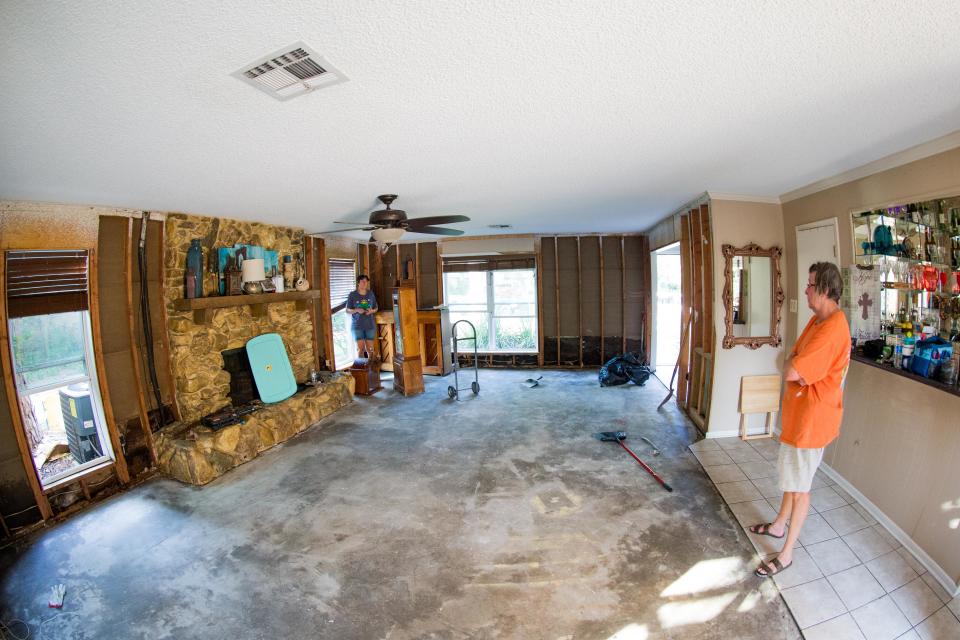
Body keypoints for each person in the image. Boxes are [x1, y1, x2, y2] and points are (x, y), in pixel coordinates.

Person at [751, 261, 851, 577]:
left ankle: (787, 554)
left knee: (800, 488)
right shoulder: (816, 321)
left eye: (809, 285)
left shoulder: (833, 329)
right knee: (792, 481)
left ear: (824, 289)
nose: (805, 290)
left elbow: (792, 368)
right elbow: (790, 359)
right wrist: (794, 365)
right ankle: (779, 525)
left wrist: (794, 366)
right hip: (800, 416)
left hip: (813, 421)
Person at [346, 275, 378, 359]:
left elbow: (376, 308)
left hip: (370, 325)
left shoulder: (370, 293)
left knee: (370, 350)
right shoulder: (352, 295)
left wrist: (372, 311)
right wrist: (357, 310)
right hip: (357, 326)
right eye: (363, 281)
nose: (365, 283)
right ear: (358, 283)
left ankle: (372, 370)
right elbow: (347, 310)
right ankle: (362, 370)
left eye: (366, 281)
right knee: (360, 349)